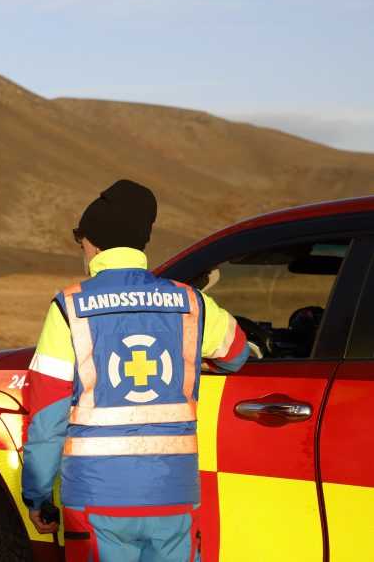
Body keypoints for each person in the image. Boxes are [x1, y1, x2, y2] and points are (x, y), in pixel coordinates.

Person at [21, 179, 250, 562]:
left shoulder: (69, 307)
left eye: (82, 244)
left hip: (96, 497)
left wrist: (37, 495)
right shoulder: (192, 302)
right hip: (172, 494)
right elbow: (238, 353)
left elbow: (47, 415)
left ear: (92, 244)